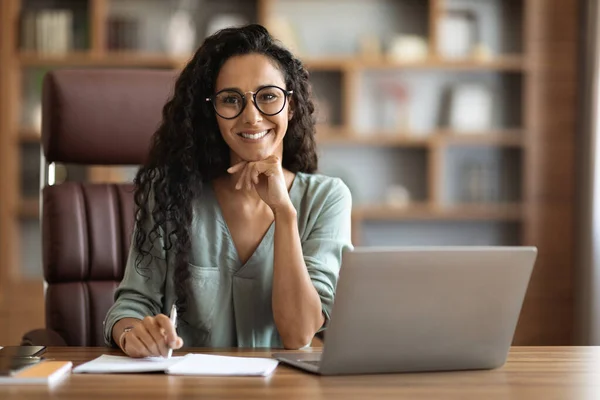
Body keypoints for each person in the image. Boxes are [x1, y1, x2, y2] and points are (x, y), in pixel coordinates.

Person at [103, 24, 353, 358]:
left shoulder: (326, 199)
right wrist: (135, 333)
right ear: (213, 113)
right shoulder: (170, 193)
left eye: (268, 97)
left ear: (290, 107)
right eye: (231, 99)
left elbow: (298, 334)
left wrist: (284, 213)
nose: (251, 116)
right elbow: (131, 305)